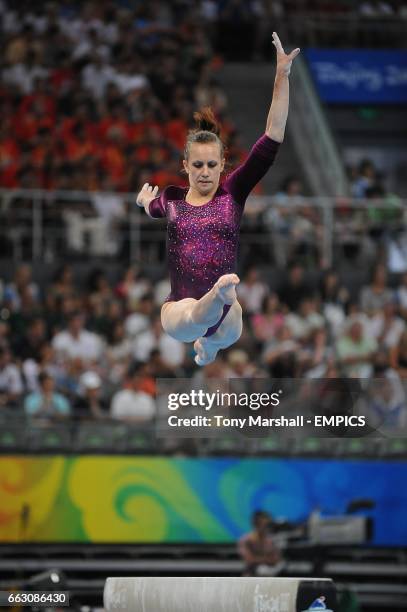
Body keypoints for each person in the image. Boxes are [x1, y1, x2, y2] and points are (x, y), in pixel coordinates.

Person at [136, 32, 300, 366]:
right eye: (197, 165)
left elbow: (272, 136)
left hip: (227, 314)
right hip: (179, 306)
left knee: (226, 329)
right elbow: (152, 207)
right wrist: (142, 200)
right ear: (185, 166)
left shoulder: (232, 192)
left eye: (212, 164)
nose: (206, 171)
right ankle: (212, 305)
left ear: (223, 164)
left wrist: (281, 78)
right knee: (191, 320)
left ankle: (211, 334)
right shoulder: (172, 199)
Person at [238, 509, 282, 576]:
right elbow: (250, 560)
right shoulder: (246, 540)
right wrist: (268, 559)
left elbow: (276, 559)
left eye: (268, 525)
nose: (267, 528)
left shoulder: (271, 540)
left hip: (269, 576)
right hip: (251, 576)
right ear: (255, 524)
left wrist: (259, 559)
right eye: (264, 524)